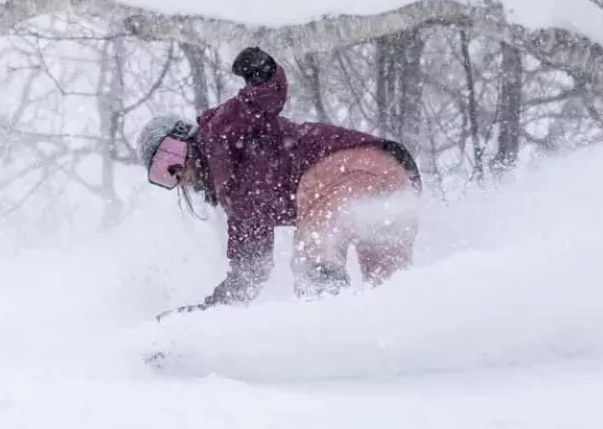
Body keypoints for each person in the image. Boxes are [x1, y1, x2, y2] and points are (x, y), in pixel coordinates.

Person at [139, 46, 421, 309]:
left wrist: (261, 71)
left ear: (184, 136)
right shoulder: (239, 205)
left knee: (315, 254)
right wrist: (205, 315)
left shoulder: (217, 133)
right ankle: (397, 335)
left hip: (344, 168)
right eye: (163, 175)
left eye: (169, 155)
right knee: (387, 289)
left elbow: (268, 96)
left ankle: (327, 321)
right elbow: (250, 273)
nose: (177, 173)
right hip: (394, 178)